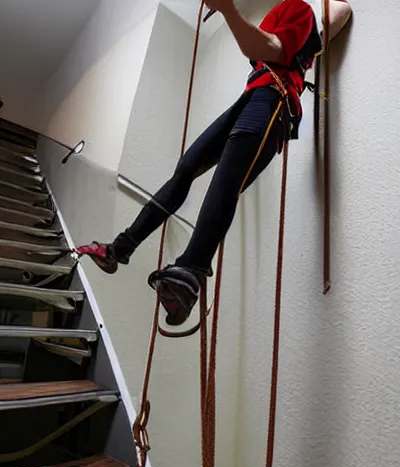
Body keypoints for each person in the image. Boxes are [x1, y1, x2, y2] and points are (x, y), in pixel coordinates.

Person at [76, 0, 352, 326]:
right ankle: (120, 249)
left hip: (274, 101)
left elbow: (326, 18)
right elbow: (270, 46)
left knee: (226, 180)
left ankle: (190, 270)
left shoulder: (302, 10)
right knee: (186, 168)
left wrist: (228, 10)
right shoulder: (299, 19)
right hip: (254, 96)